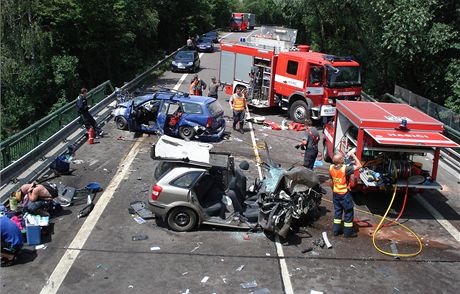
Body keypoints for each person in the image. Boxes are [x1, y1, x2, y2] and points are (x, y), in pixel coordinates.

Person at [329, 150, 362, 238]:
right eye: (342, 157)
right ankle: (348, 233)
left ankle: (336, 231)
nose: (343, 158)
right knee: (348, 213)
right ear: (340, 160)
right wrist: (353, 155)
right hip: (344, 195)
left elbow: (331, 181)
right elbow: (359, 165)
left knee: (338, 212)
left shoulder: (331, 167)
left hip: (336, 194)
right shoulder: (345, 169)